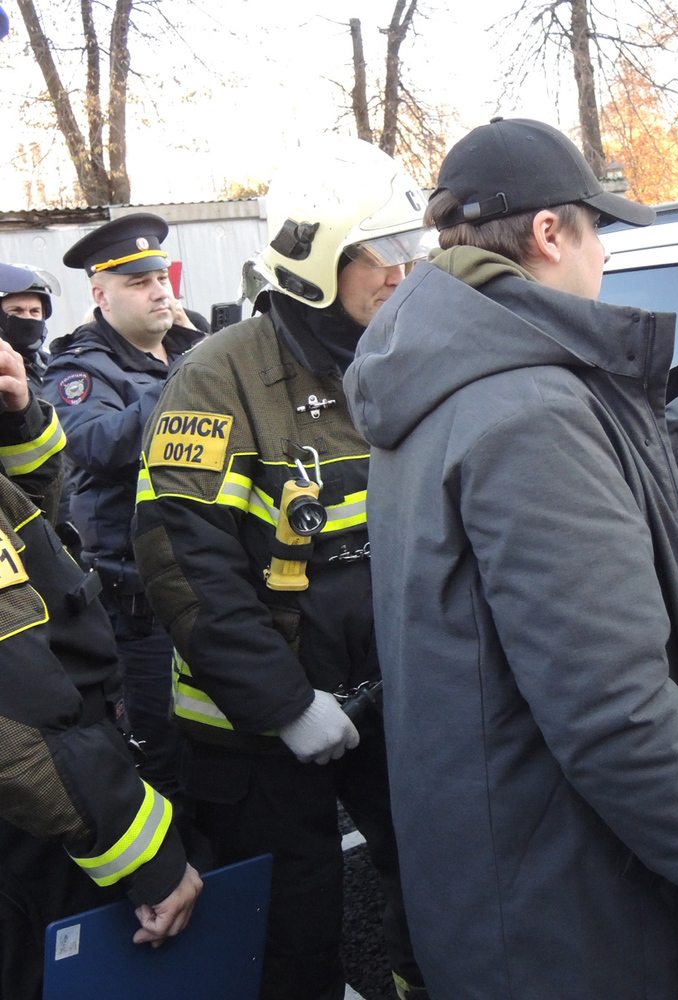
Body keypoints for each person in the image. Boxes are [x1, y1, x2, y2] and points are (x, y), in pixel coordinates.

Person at [344, 118, 678, 998]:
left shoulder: (450, 375)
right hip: (567, 917)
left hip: (498, 876)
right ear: (551, 232)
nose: (608, 261)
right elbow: (610, 706)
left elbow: (576, 490)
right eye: (600, 231)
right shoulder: (530, 409)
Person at [131, 137, 433, 1000]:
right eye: (385, 253)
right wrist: (286, 704)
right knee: (294, 927)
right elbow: (184, 564)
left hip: (389, 698)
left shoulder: (396, 358)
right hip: (260, 727)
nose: (404, 272)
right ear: (319, 263)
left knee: (434, 887)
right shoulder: (217, 378)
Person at [0, 263, 202, 1000]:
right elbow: (24, 718)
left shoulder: (187, 345)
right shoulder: (91, 369)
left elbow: (32, 512)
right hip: (40, 806)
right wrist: (147, 860)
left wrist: (16, 422)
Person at [42, 214, 202, 799]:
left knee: (232, 743)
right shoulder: (79, 370)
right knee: (164, 753)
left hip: (219, 584)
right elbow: (94, 445)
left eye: (162, 277)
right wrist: (192, 382)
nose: (161, 290)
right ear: (101, 295)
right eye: (140, 283)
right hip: (142, 606)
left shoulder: (193, 348)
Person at [0, 266, 66, 521]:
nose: (27, 319)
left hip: (59, 511)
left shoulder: (53, 366)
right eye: (16, 311)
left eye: (34, 311)